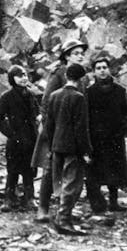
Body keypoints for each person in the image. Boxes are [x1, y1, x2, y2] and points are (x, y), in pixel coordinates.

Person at [33, 37, 88, 223]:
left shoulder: (82, 76)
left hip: (73, 130)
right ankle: (43, 207)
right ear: (67, 56)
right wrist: (49, 127)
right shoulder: (58, 74)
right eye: (76, 54)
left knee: (71, 171)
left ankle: (65, 210)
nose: (80, 57)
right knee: (50, 168)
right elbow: (47, 101)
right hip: (55, 128)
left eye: (82, 54)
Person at [42, 62, 92, 235]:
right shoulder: (79, 97)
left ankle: (60, 217)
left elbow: (49, 124)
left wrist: (50, 145)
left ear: (66, 76)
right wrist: (86, 150)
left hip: (56, 146)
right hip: (72, 148)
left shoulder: (55, 95)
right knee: (72, 183)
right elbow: (81, 128)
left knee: (59, 183)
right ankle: (63, 220)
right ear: (81, 79)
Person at [85, 55, 127, 213]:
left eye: (104, 67)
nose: (102, 71)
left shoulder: (120, 90)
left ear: (109, 69)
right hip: (97, 139)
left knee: (115, 171)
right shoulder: (89, 92)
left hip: (115, 138)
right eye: (98, 68)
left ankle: (113, 202)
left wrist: (123, 128)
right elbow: (85, 115)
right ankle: (98, 203)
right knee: (96, 171)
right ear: (94, 72)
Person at [0, 65, 39, 210]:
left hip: (31, 139)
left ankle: (29, 198)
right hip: (15, 140)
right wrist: (11, 134)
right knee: (12, 170)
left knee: (29, 170)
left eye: (25, 75)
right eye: (20, 76)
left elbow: (37, 114)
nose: (24, 78)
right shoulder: (7, 96)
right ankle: (9, 199)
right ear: (13, 79)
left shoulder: (31, 95)